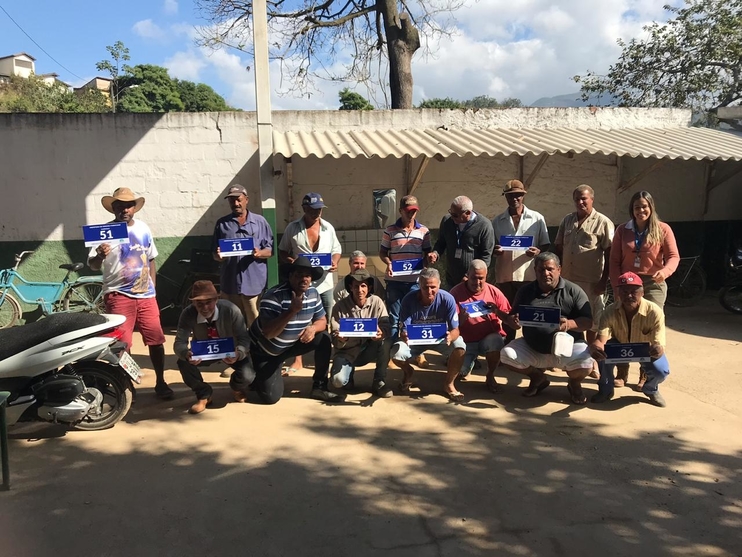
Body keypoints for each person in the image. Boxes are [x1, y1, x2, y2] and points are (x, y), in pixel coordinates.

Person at [88, 187, 171, 399]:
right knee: (122, 345)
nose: (124, 209)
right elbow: (93, 266)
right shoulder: (102, 232)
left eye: (128, 205)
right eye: (120, 206)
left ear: (134, 208)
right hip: (118, 295)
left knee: (156, 340)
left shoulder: (143, 228)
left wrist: (152, 288)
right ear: (113, 208)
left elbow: (151, 259)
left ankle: (161, 382)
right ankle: (128, 387)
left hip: (146, 296)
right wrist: (99, 255)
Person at [244, 257, 345, 403]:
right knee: (270, 398)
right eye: (299, 275)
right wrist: (292, 310)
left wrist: (313, 328)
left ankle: (320, 387)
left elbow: (322, 321)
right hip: (266, 351)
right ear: (290, 276)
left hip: (290, 345)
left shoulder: (313, 293)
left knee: (323, 338)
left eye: (307, 276)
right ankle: (258, 375)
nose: (303, 279)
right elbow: (268, 333)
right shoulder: (273, 296)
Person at [500, 252, 594, 405]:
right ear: (535, 271)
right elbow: (512, 318)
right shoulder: (525, 291)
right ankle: (538, 378)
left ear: (559, 269)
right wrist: (513, 321)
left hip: (567, 349)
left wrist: (569, 324)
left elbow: (588, 322)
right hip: (534, 348)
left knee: (587, 364)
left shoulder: (574, 290)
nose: (545, 273)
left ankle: (574, 384)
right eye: (541, 270)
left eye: (550, 269)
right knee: (506, 355)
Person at [609, 190, 679, 388]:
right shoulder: (623, 230)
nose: (641, 210)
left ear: (651, 207)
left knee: (648, 328)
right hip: (626, 284)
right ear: (632, 209)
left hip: (653, 283)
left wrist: (665, 272)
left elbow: (674, 256)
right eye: (637, 207)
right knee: (622, 325)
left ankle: (645, 374)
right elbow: (614, 261)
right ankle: (622, 372)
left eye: (645, 206)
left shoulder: (662, 229)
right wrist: (616, 286)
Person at [554, 185, 614, 377]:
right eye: (577, 199)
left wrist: (603, 282)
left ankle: (593, 362)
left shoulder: (603, 222)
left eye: (584, 199)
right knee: (565, 320)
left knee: (593, 324)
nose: (580, 202)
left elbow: (610, 254)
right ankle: (562, 358)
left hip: (591, 282)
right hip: (567, 282)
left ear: (592, 199)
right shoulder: (567, 220)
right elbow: (558, 248)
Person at [278, 192, 342, 373]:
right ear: (304, 209)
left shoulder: (328, 228)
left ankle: (326, 356)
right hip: (301, 284)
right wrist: (290, 262)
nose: (317, 213)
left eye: (320, 209)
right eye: (313, 210)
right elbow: (282, 250)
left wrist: (335, 261)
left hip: (324, 284)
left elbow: (336, 249)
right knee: (298, 320)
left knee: (327, 321)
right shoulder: (292, 228)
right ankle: (297, 359)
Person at [589, 272, 670, 407]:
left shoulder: (654, 311)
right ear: (619, 293)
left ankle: (650, 389)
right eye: (625, 292)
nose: (629, 296)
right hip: (619, 347)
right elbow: (601, 339)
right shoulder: (610, 310)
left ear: (642, 292)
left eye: (634, 291)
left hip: (645, 349)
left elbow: (659, 344)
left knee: (661, 370)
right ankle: (606, 389)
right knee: (600, 355)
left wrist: (658, 350)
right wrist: (595, 347)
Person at [172, 280, 252, 414]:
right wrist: (186, 353)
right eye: (199, 304)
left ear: (216, 299)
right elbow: (179, 343)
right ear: (193, 303)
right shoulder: (188, 314)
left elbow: (244, 338)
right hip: (203, 353)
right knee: (183, 362)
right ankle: (204, 395)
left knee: (248, 374)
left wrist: (239, 353)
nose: (204, 308)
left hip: (230, 351)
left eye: (208, 302)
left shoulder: (231, 310)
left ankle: (236, 387)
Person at [390, 268, 467, 401]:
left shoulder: (448, 299)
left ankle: (449, 384)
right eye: (425, 287)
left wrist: (451, 336)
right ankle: (408, 372)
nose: (429, 291)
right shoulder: (408, 300)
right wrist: (404, 334)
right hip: (416, 341)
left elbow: (456, 329)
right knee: (396, 353)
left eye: (433, 287)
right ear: (419, 284)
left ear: (439, 284)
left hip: (440, 339)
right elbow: (404, 328)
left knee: (460, 346)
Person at [491, 180, 550, 342]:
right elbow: (491, 248)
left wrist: (538, 251)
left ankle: (534, 345)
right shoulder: (497, 221)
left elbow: (545, 245)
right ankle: (508, 345)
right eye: (510, 196)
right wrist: (496, 250)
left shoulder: (537, 218)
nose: (514, 199)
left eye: (518, 195)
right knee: (508, 313)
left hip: (529, 276)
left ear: (523, 196)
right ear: (505, 197)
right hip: (505, 276)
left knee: (530, 313)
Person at [380, 194, 433, 368]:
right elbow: (383, 253)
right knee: (395, 319)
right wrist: (388, 263)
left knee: (417, 318)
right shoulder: (390, 231)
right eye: (408, 211)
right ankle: (394, 355)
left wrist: (429, 260)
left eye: (414, 211)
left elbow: (427, 254)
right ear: (401, 210)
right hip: (395, 281)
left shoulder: (424, 231)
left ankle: (418, 354)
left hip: (415, 282)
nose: (411, 215)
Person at [212, 184, 274, 327]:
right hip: (230, 283)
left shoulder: (260, 222)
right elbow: (214, 253)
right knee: (233, 323)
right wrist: (219, 255)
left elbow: (270, 251)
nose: (236, 204)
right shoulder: (222, 224)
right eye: (232, 201)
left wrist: (260, 253)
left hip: (254, 284)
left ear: (247, 199)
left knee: (255, 321)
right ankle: (238, 349)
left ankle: (254, 348)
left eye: (239, 199)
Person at [449, 260, 512, 393]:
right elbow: (449, 325)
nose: (477, 282)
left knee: (496, 340)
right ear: (467, 275)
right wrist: (460, 319)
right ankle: (469, 362)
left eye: (481, 278)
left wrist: (497, 312)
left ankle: (490, 375)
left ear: (486, 276)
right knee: (460, 374)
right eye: (473, 278)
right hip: (465, 343)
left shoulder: (494, 292)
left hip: (487, 340)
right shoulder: (455, 293)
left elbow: (508, 319)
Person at [330, 269, 393, 397]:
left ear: (369, 288)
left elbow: (386, 326)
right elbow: (334, 337)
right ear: (350, 287)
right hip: (347, 351)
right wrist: (341, 339)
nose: (360, 290)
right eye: (356, 286)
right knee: (338, 382)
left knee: (386, 341)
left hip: (369, 349)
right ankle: (348, 375)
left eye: (363, 286)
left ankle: (379, 380)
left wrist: (381, 333)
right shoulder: (339, 307)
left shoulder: (377, 302)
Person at [428, 196, 495, 288]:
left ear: (467, 213)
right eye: (451, 213)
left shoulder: (484, 225)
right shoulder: (447, 221)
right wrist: (435, 253)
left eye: (455, 215)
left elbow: (486, 256)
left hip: (473, 281)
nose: (452, 217)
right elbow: (441, 242)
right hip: (451, 278)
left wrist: (469, 275)